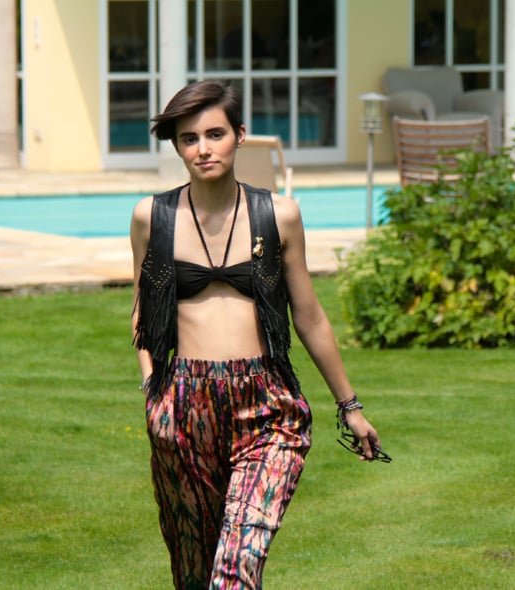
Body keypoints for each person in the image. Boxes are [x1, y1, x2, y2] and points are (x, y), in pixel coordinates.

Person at [129, 80, 386, 589]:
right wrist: (154, 394)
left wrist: (349, 406)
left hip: (268, 405)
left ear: (240, 135)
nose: (203, 149)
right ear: (177, 147)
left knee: (237, 564)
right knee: (194, 570)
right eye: (189, 139)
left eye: (215, 134)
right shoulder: (152, 217)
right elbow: (143, 310)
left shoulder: (279, 215)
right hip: (183, 404)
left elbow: (309, 317)